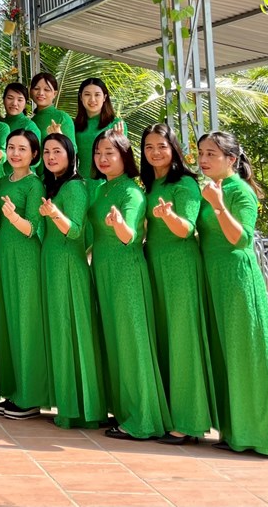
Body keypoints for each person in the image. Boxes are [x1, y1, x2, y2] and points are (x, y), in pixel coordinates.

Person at [197, 131, 268, 457]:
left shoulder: (240, 192)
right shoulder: (211, 189)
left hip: (236, 279)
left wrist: (219, 206)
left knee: (245, 353)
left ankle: (260, 435)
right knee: (224, 353)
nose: (203, 160)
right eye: (201, 153)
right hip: (213, 278)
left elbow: (241, 238)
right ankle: (234, 431)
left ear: (231, 159)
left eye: (211, 154)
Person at [88, 129, 170, 441]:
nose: (103, 158)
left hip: (126, 273)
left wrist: (120, 224)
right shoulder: (102, 189)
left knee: (132, 343)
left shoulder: (131, 192)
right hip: (104, 271)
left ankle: (143, 420)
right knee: (114, 342)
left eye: (110, 152)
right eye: (98, 152)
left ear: (125, 156)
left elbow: (131, 237)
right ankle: (125, 410)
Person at [141, 124, 214, 444]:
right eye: (149, 147)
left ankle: (189, 422)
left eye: (162, 146)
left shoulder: (185, 183)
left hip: (180, 268)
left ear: (174, 149)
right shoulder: (150, 185)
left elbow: (186, 229)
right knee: (165, 339)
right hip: (155, 266)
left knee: (183, 341)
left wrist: (168, 216)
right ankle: (170, 414)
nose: (155, 152)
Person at [39, 133, 105, 429]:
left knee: (72, 331)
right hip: (53, 263)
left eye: (57, 151)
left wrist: (54, 214)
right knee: (61, 332)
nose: (51, 157)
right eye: (47, 152)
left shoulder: (75, 187)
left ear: (71, 155)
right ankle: (69, 405)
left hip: (68, 264)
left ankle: (82, 410)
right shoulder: (55, 185)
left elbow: (76, 231)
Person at [0, 129, 49, 420]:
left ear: (34, 154)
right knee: (10, 324)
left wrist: (13, 215)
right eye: (11, 147)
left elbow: (32, 228)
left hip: (26, 258)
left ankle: (31, 397)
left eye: (22, 149)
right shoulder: (3, 181)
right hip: (4, 255)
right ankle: (16, 390)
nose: (15, 153)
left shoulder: (34, 184)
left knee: (26, 324)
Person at [74, 78, 124, 176]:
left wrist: (118, 143)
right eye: (87, 94)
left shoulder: (116, 124)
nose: (92, 99)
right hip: (81, 180)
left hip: (107, 180)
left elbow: (123, 159)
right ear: (81, 97)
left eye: (97, 95)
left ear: (104, 97)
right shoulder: (74, 125)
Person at [29, 73, 75, 147]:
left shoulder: (62, 117)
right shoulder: (30, 120)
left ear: (55, 94)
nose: (41, 93)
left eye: (46, 90)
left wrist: (60, 137)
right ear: (30, 92)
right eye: (36, 89)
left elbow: (73, 149)